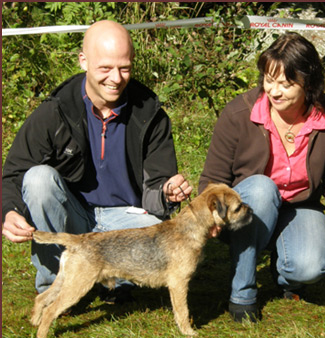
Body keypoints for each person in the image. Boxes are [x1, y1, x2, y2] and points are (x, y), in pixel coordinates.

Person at [2, 20, 192, 302]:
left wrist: (167, 193)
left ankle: (117, 281)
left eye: (124, 67)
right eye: (105, 68)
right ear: (83, 61)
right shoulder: (54, 111)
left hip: (125, 219)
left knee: (154, 221)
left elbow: (157, 191)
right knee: (38, 179)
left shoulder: (150, 114)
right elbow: (14, 172)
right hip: (73, 215)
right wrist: (9, 211)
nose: (116, 78)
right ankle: (55, 286)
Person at [199, 32, 325, 322]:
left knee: (310, 268)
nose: (274, 91)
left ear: (308, 84)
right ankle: (243, 292)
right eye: (269, 80)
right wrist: (210, 218)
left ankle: (284, 274)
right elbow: (212, 179)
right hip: (247, 209)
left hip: (299, 206)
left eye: (286, 84)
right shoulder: (238, 113)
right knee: (262, 189)